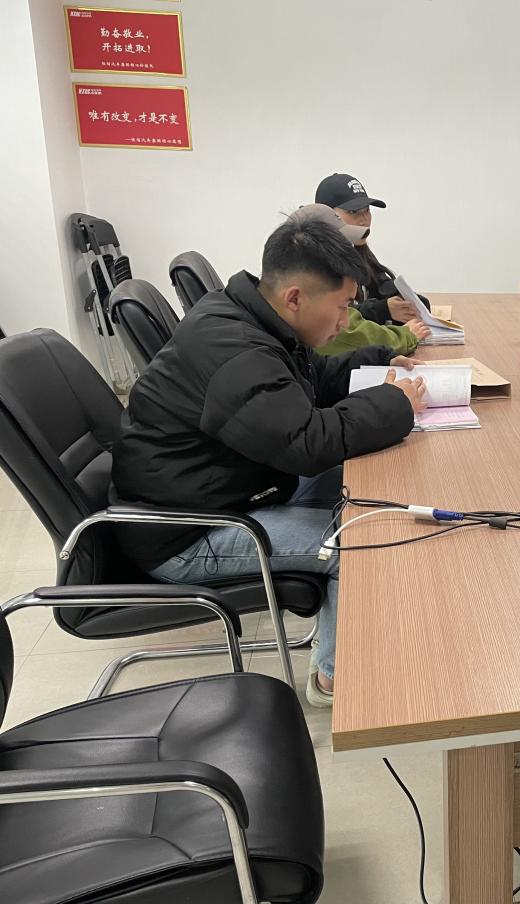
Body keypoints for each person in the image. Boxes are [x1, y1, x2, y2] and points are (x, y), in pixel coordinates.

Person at [110, 209, 428, 708]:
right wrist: (393, 404)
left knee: (373, 495)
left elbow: (314, 378)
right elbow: (306, 442)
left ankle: (371, 634)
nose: (345, 321)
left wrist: (378, 360)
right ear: (295, 297)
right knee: (363, 538)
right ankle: (335, 678)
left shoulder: (254, 318)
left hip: (227, 489)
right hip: (185, 532)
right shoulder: (236, 352)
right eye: (342, 307)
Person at [315, 171, 431, 329]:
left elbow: (380, 284)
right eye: (353, 212)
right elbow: (335, 316)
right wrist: (383, 310)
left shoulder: (356, 251)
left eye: (367, 210)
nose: (364, 220)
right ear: (326, 214)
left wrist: (407, 301)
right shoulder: (316, 259)